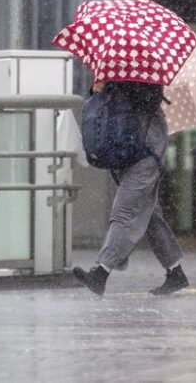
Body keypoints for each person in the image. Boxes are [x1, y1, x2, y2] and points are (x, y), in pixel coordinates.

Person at [73, 81, 188, 296]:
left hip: (146, 155)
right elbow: (107, 104)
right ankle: (175, 272)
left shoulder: (147, 76)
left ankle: (101, 273)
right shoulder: (119, 70)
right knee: (151, 217)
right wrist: (98, 89)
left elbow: (145, 99)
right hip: (126, 154)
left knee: (123, 212)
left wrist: (113, 86)